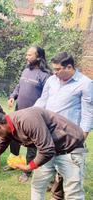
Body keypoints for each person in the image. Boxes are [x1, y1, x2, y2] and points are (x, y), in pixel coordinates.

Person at [0, 108, 86, 200]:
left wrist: (28, 167)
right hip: (51, 150)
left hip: (70, 147)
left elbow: (47, 149)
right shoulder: (7, 127)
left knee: (73, 193)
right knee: (37, 185)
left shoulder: (27, 120)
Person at [34, 52, 93, 199]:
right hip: (47, 138)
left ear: (69, 67)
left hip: (69, 141)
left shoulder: (85, 84)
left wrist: (81, 138)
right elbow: (42, 101)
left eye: (58, 69)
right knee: (39, 182)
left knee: (73, 188)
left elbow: (88, 113)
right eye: (53, 69)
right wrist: (31, 115)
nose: (54, 72)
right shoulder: (51, 80)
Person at [3, 46, 51, 183]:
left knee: (31, 143)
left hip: (33, 116)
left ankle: (27, 171)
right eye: (26, 54)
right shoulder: (25, 70)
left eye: (29, 55)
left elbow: (47, 97)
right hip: (18, 112)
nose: (26, 57)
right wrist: (13, 96)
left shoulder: (45, 75)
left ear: (39, 57)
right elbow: (19, 86)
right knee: (14, 137)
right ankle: (14, 162)